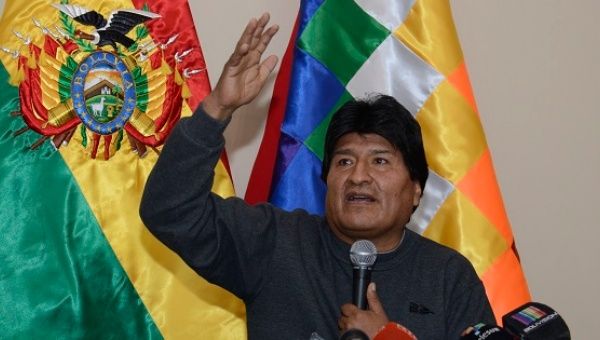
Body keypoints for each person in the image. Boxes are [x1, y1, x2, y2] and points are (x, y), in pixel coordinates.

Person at [140, 13, 494, 339]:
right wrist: (217, 109)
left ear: (416, 189)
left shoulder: (448, 276)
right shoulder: (275, 243)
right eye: (344, 162)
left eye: (380, 161)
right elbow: (170, 210)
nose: (359, 176)